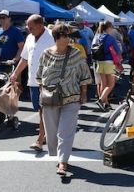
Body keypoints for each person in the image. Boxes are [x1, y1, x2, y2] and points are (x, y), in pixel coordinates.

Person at [35, 24, 92, 176]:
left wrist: (84, 93)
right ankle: (58, 155)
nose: (68, 39)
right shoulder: (46, 54)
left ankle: (63, 162)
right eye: (65, 36)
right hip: (50, 99)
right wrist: (42, 92)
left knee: (65, 131)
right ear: (57, 38)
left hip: (71, 98)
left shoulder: (75, 54)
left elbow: (84, 74)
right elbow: (39, 76)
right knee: (52, 132)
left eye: (69, 36)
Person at [11, 15, 55, 151]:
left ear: (40, 25)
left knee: (44, 110)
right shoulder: (29, 37)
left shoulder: (52, 36)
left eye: (31, 28)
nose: (29, 30)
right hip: (32, 81)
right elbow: (24, 58)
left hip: (48, 81)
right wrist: (15, 74)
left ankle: (40, 139)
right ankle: (49, 134)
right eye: (28, 28)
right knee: (40, 110)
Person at [92, 22, 122, 111]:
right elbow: (118, 51)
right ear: (109, 28)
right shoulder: (111, 38)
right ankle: (101, 100)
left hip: (99, 62)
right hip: (109, 62)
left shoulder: (97, 37)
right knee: (111, 85)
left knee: (103, 84)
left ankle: (105, 104)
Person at [0, 10, 25, 76]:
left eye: (3, 17)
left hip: (14, 67)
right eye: (0, 18)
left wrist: (14, 60)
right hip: (0, 66)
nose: (1, 20)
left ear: (9, 19)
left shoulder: (16, 31)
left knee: (14, 85)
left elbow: (21, 47)